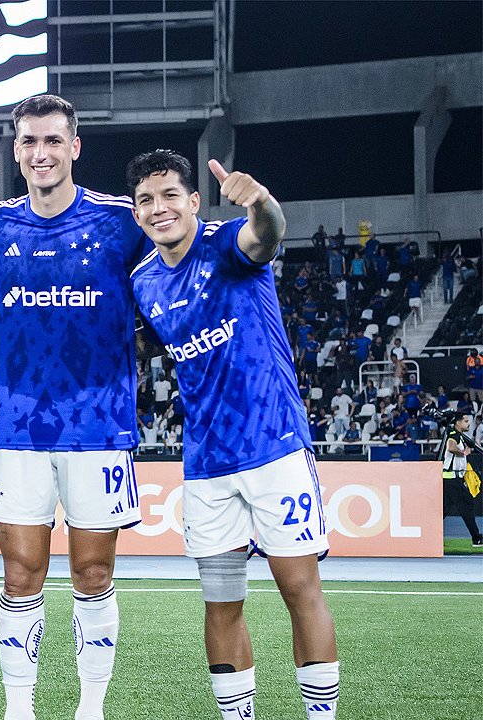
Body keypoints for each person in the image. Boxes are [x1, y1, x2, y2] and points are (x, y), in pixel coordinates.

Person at [0, 94, 149, 720]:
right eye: (29, 142)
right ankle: (20, 710)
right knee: (20, 576)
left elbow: (177, 258)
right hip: (18, 429)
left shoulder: (121, 221)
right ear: (16, 150)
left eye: (52, 140)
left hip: (99, 427)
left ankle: (91, 709)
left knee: (93, 574)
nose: (40, 153)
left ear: (75, 146)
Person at [126, 149, 339, 719]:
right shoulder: (144, 281)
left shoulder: (225, 243)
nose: (159, 208)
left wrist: (262, 202)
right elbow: (144, 343)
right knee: (221, 602)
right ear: (137, 213)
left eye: (170, 195)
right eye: (146, 200)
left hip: (274, 447)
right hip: (207, 465)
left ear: (195, 200)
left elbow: (265, 236)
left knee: (300, 590)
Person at [440, 412, 482, 546]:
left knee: (444, 509)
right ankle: (476, 538)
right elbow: (451, 447)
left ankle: (425, 533)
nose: (468, 424)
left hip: (451, 478)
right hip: (452, 478)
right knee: (466, 506)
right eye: (466, 421)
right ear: (458, 423)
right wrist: (463, 453)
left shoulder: (458, 435)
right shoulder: (455, 435)